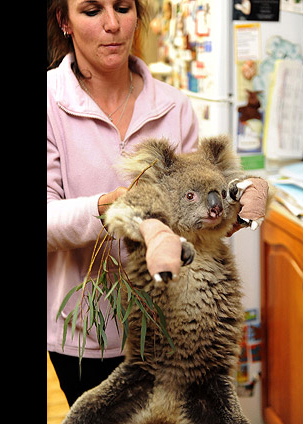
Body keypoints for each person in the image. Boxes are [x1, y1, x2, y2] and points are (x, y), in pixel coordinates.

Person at [46, 0, 199, 407]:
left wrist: (219, 213)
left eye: (123, 7)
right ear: (64, 21)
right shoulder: (49, 102)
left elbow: (191, 212)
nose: (112, 24)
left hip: (169, 326)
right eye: (92, 10)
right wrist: (104, 208)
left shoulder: (174, 106)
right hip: (85, 335)